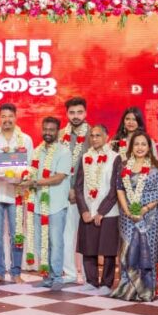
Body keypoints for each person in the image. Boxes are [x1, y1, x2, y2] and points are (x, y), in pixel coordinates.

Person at [0, 103, 34, 284]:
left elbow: (30, 167)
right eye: (3, 116)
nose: (7, 120)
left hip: (16, 194)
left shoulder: (25, 139)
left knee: (17, 235)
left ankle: (16, 272)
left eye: (10, 116)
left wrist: (24, 177)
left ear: (16, 117)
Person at [17, 117, 72, 289]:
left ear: (58, 132)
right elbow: (28, 171)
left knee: (55, 242)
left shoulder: (64, 152)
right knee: (41, 242)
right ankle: (46, 277)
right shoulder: (37, 151)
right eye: (45, 129)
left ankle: (57, 278)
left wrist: (34, 182)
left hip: (56, 205)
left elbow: (58, 178)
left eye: (51, 130)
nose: (48, 132)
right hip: (38, 204)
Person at [112, 130, 158, 302]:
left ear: (149, 147)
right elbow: (120, 189)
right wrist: (127, 211)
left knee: (147, 252)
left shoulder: (156, 168)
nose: (140, 147)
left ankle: (146, 290)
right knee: (127, 251)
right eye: (136, 144)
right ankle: (126, 287)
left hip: (150, 217)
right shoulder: (124, 167)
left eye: (143, 144)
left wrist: (144, 209)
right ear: (131, 147)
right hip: (127, 217)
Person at [73, 124, 119, 295]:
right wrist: (84, 210)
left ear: (107, 137)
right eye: (92, 135)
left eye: (98, 135)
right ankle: (91, 281)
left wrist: (101, 212)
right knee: (88, 246)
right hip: (88, 210)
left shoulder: (115, 158)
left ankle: (107, 283)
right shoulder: (85, 157)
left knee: (108, 249)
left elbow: (115, 188)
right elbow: (78, 187)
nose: (94, 139)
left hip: (108, 211)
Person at [61, 97, 90, 284]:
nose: (76, 116)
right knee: (67, 235)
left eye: (79, 112)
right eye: (72, 112)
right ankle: (70, 273)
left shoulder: (93, 134)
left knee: (87, 236)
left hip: (87, 194)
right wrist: (67, 188)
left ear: (85, 113)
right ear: (67, 114)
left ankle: (88, 275)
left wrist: (77, 190)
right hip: (64, 193)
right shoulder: (60, 135)